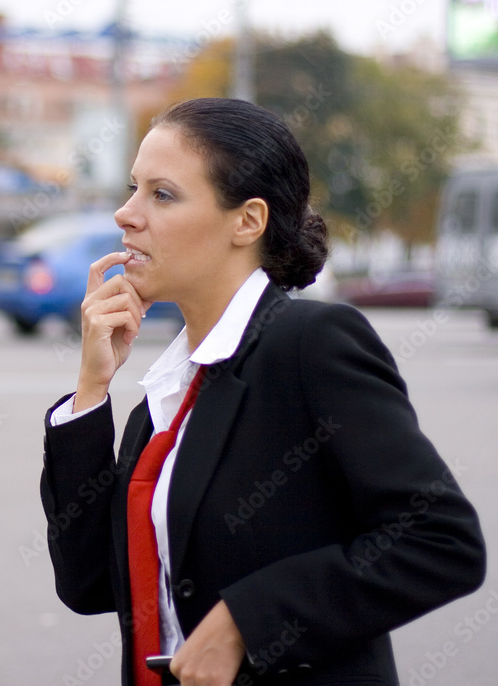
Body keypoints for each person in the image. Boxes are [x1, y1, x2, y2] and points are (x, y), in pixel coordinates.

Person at [39, 98, 486, 686]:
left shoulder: (312, 344)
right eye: (132, 189)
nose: (126, 214)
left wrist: (246, 623)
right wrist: (92, 389)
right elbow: (89, 583)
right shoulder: (168, 392)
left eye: (162, 194)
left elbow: (441, 541)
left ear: (247, 221)